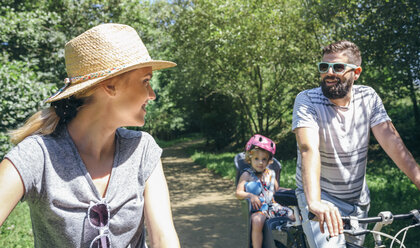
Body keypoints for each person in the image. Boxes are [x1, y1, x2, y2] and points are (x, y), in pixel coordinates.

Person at [0, 23, 180, 248]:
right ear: (110, 85)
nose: (152, 94)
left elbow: (163, 239)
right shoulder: (38, 156)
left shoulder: (143, 149)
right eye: (146, 81)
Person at [292, 40, 420, 247]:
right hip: (321, 196)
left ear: (356, 72)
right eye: (324, 67)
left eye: (338, 67)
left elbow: (393, 142)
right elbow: (308, 148)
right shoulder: (307, 100)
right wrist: (315, 202)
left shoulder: (368, 97)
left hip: (358, 200)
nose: (329, 73)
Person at [236, 134, 294, 248]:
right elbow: (238, 193)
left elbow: (276, 190)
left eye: (264, 159)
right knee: (257, 221)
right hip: (259, 208)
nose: (260, 162)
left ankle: (294, 243)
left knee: (295, 216)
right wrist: (251, 196)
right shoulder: (247, 174)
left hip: (273, 206)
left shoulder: (270, 174)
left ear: (268, 161)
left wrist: (290, 191)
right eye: (256, 159)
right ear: (249, 158)